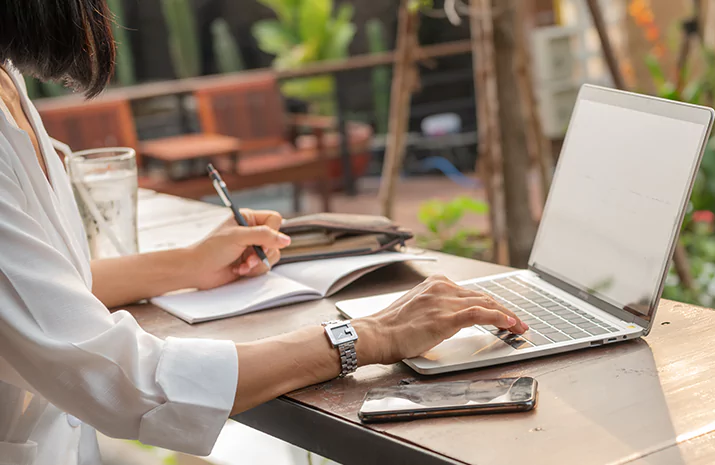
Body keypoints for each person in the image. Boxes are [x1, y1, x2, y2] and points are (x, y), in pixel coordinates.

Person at [0, 2, 527, 464]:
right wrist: (369, 336)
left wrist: (188, 264)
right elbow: (124, 381)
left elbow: (41, 288)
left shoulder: (10, 80)